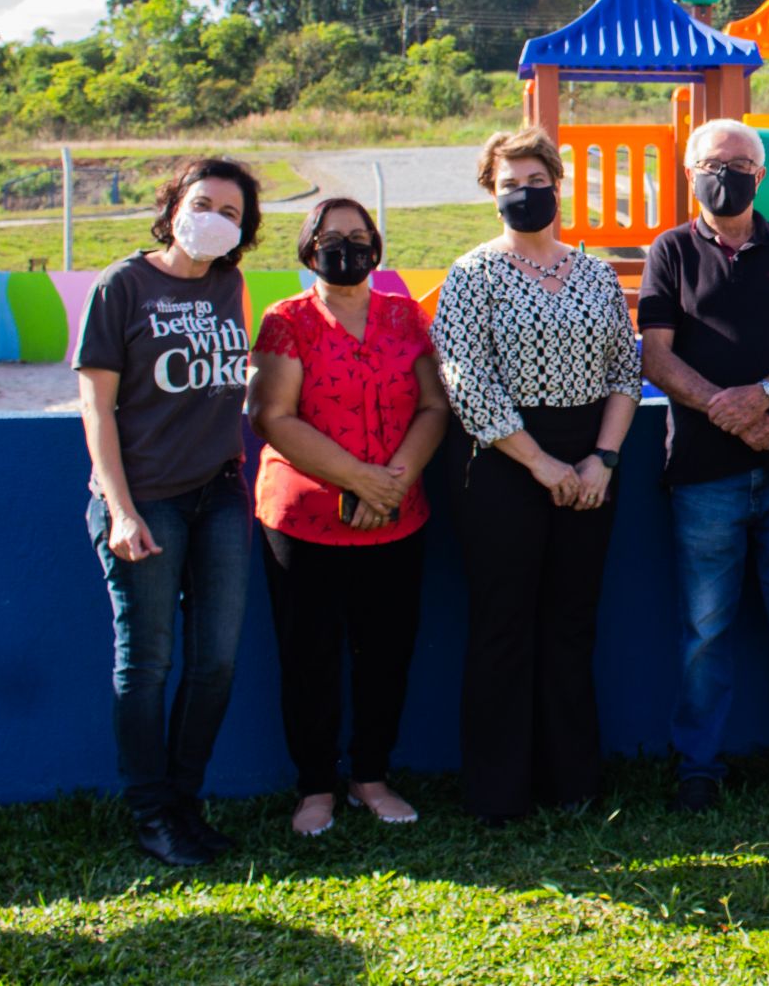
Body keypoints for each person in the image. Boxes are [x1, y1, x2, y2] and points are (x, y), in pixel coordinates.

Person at [431, 129, 642, 824]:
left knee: (571, 622)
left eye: (535, 178)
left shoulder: (595, 273)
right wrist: (541, 462)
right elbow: (467, 380)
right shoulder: (472, 275)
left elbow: (623, 371)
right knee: (504, 623)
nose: (525, 191)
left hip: (590, 462)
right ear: (491, 191)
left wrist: (601, 460)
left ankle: (573, 782)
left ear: (558, 182)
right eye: (509, 181)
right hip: (501, 462)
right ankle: (499, 793)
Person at [638, 118, 769, 812]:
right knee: (704, 629)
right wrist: (726, 410)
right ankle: (698, 766)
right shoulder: (669, 249)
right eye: (709, 161)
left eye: (736, 162)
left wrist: (758, 398)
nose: (722, 172)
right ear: (689, 170)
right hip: (702, 473)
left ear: (760, 174)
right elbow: (657, 354)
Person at [74, 156, 262, 867]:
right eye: (204, 201)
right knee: (146, 662)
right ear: (174, 202)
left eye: (232, 213)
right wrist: (120, 509)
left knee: (215, 660)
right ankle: (152, 811)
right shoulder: (122, 284)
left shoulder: (228, 283)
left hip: (218, 493)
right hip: (144, 497)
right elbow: (96, 406)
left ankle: (186, 801)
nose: (214, 217)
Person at [247, 197, 449, 836]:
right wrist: (359, 480)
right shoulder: (286, 321)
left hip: (397, 514)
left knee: (386, 651)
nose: (347, 248)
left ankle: (370, 775)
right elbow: (272, 416)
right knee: (308, 656)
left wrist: (391, 485)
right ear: (309, 248)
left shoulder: (404, 315)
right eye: (333, 237)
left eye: (359, 237)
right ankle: (314, 787)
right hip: (304, 522)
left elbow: (434, 406)